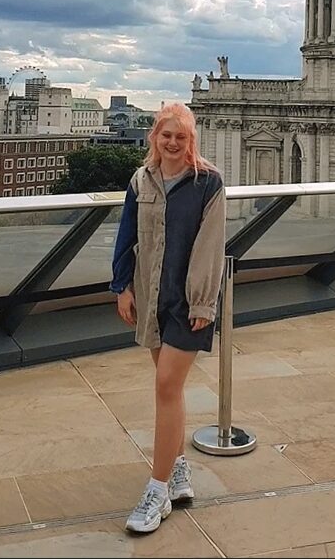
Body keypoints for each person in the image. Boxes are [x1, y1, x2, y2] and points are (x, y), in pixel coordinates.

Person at [110, 102, 226, 534]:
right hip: (150, 295)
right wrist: (122, 286)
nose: (173, 142)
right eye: (166, 135)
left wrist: (201, 302)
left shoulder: (208, 183)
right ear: (154, 138)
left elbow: (210, 247)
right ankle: (178, 471)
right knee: (169, 390)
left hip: (187, 303)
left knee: (165, 385)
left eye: (181, 136)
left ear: (191, 139)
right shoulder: (142, 181)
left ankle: (157, 489)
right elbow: (127, 234)